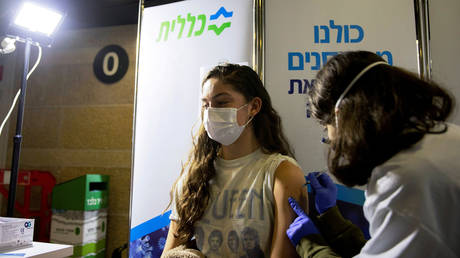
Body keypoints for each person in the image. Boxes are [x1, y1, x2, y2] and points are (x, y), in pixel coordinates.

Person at [287, 50, 460, 257]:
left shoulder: (404, 178)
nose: (333, 142)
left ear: (340, 116)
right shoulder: (444, 136)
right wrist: (330, 217)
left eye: (327, 130)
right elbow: (384, 246)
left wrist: (311, 246)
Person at [162, 63, 308, 257]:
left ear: (254, 107)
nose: (211, 112)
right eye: (206, 105)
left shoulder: (282, 173)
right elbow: (171, 254)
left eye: (221, 103)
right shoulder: (194, 177)